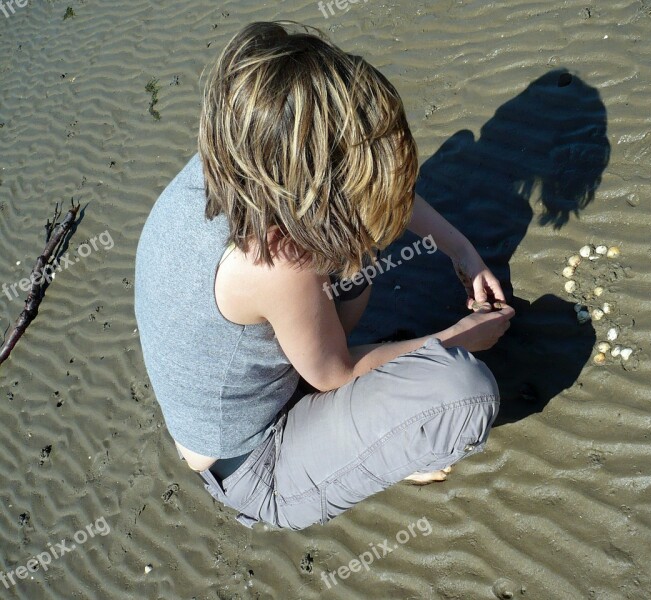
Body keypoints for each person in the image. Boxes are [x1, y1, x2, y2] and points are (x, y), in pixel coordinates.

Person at [133, 21, 515, 530]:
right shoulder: (271, 261)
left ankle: (355, 425)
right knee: (463, 390)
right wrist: (454, 337)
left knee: (354, 252)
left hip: (243, 397)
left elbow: (363, 183)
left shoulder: (237, 159)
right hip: (252, 466)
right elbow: (333, 374)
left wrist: (460, 249)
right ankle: (375, 452)